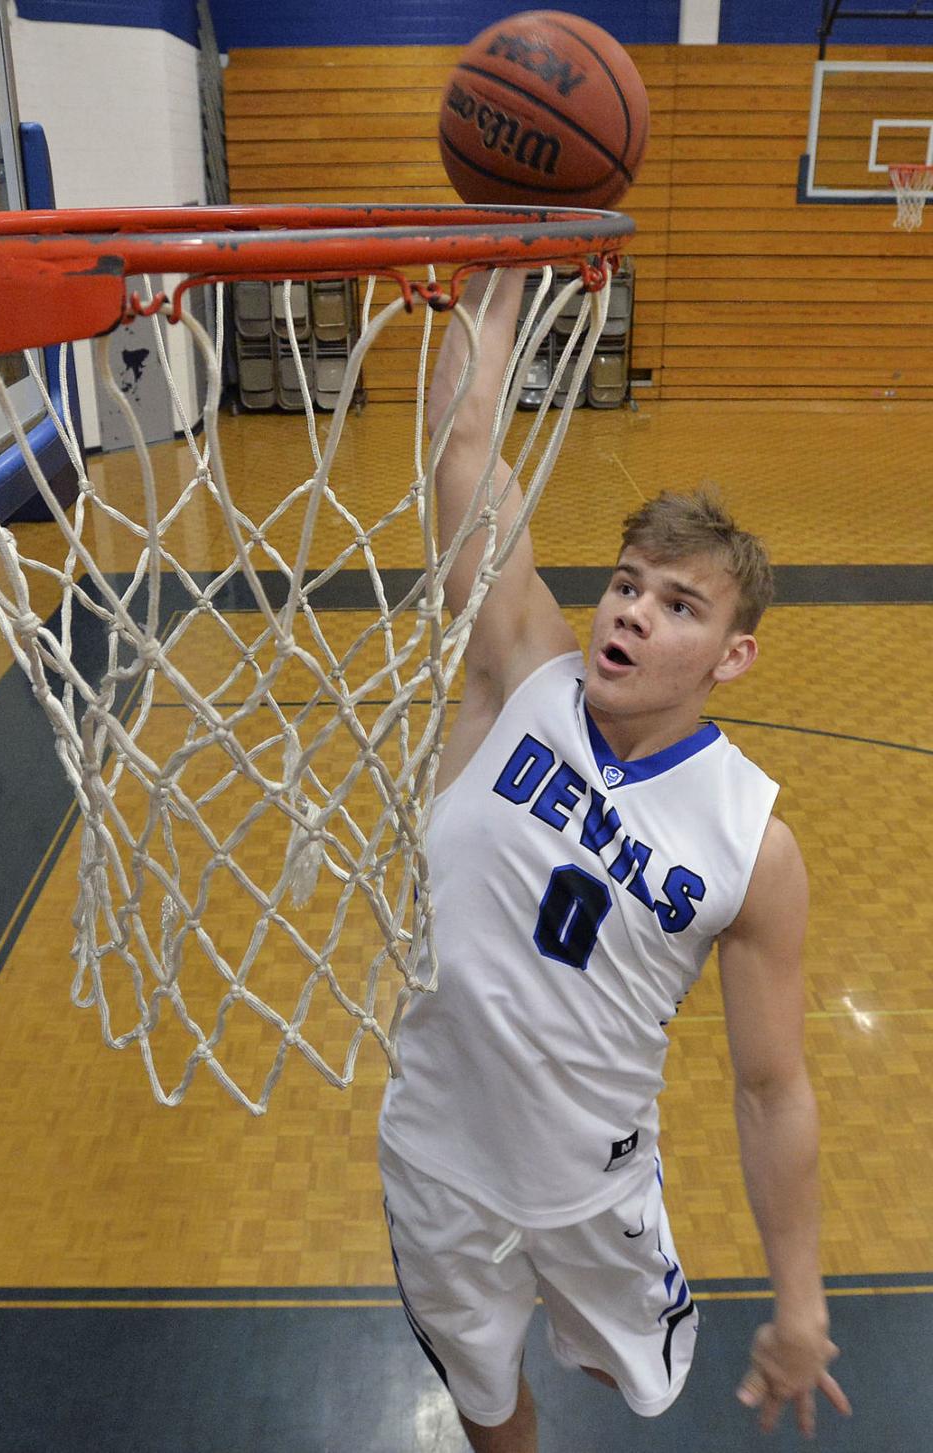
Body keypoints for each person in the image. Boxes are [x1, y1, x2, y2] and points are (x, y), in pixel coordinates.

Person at [377, 268, 853, 1451]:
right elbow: (464, 448)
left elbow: (771, 1085)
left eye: (678, 605)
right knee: (485, 1400)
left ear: (733, 658)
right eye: (627, 584)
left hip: (595, 1190)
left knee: (634, 1378)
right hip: (435, 1153)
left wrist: (802, 1305)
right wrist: (496, 272)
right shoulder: (521, 672)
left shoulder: (753, 840)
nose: (630, 613)